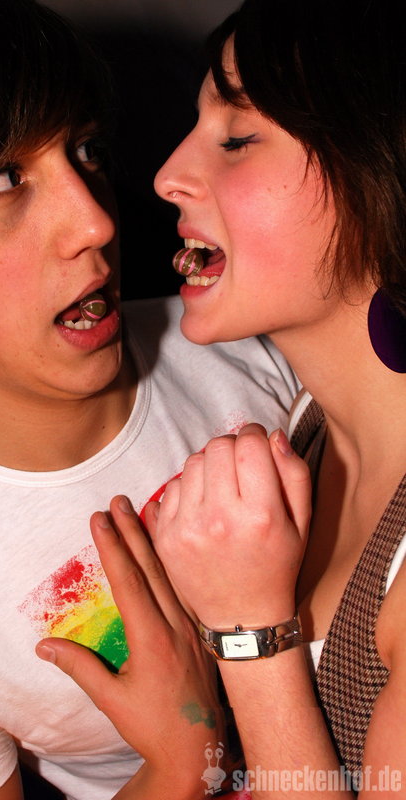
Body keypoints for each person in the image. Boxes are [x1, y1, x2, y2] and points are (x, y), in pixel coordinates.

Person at [0, 1, 299, 798]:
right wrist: (178, 764)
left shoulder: (246, 339)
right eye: (4, 179)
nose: (97, 221)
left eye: (86, 151)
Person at [38, 0, 406, 795]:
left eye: (237, 138)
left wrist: (248, 633)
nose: (166, 174)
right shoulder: (309, 420)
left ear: (376, 170)